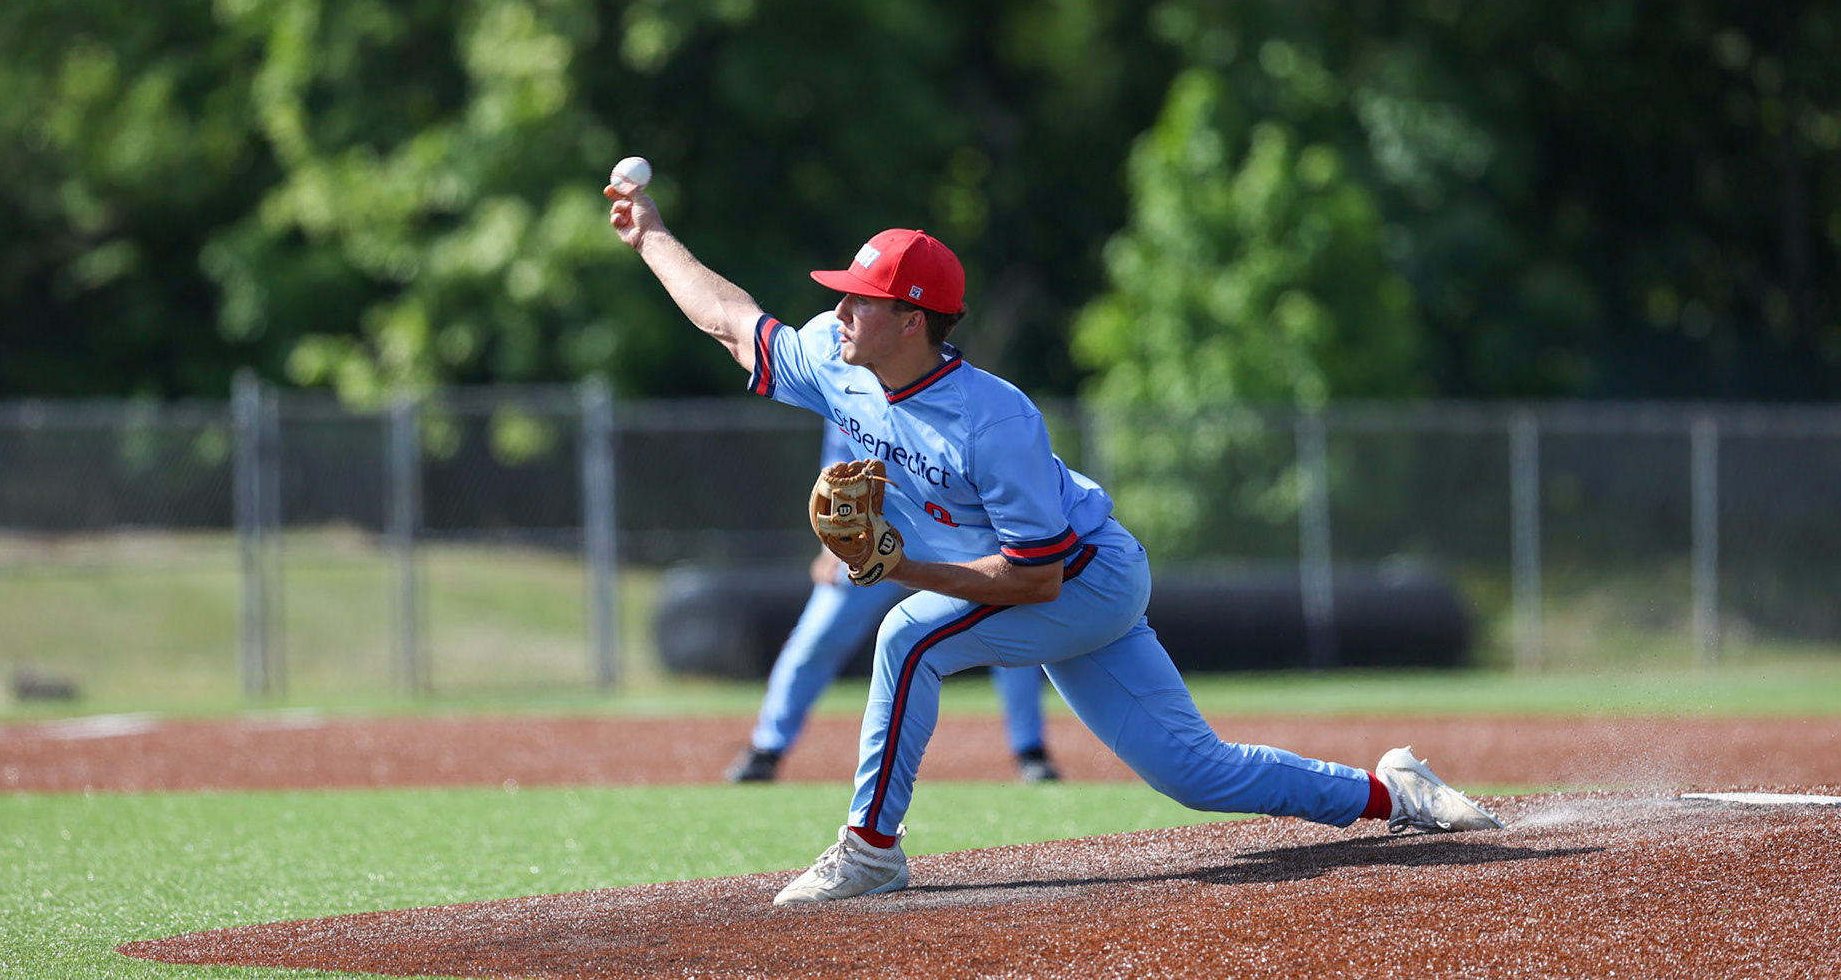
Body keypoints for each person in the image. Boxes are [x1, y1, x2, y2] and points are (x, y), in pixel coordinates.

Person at [606, 188, 1502, 907]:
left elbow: (1033, 580)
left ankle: (872, 852)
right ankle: (1396, 793)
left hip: (1086, 580)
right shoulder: (839, 363)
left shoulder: (994, 421)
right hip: (1048, 587)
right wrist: (650, 237)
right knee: (1195, 772)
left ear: (912, 319)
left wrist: (898, 569)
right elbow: (730, 318)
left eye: (860, 298)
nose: (839, 308)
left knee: (905, 634)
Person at [726, 418, 1062, 785]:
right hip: (872, 537)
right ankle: (767, 749)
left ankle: (1030, 749)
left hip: (954, 532)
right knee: (817, 637)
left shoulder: (944, 384)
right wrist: (829, 546)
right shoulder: (848, 382)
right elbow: (835, 470)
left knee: (1006, 625)